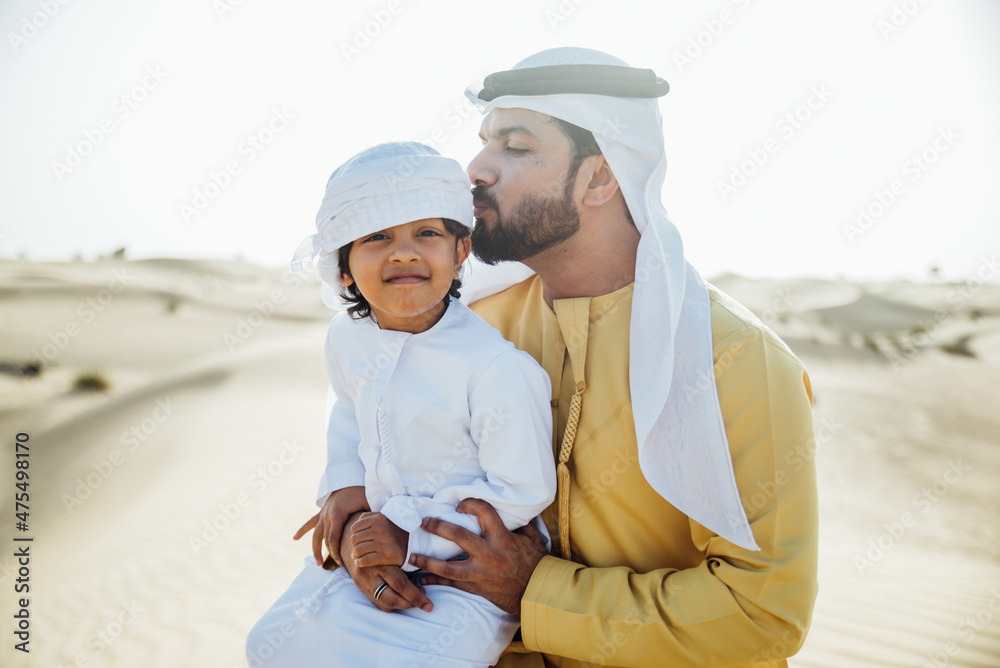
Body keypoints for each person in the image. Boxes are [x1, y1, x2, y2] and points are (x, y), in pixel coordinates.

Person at [389, 48, 818, 667]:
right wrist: (356, 525)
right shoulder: (468, 329)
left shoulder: (735, 360)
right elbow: (397, 481)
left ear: (598, 178)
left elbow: (762, 613)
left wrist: (539, 594)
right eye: (483, 143)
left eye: (514, 146)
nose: (475, 169)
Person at [245, 141, 557, 668]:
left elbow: (520, 493)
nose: (405, 252)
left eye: (427, 234)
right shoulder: (346, 337)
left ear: (461, 253)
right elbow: (347, 411)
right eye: (376, 236)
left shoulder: (496, 368)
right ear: (343, 267)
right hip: (367, 551)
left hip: (463, 578)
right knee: (273, 644)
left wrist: (407, 535)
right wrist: (344, 486)